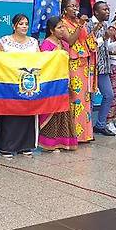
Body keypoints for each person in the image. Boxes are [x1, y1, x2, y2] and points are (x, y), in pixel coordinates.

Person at [0, 14, 39, 157]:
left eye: (26, 23)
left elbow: (40, 60)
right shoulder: (5, 41)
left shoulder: (33, 42)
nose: (24, 26)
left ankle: (25, 146)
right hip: (9, 83)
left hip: (27, 84)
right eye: (21, 24)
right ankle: (6, 146)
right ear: (14, 26)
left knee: (27, 114)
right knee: (10, 115)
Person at [60, 0, 97, 143]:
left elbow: (87, 40)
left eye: (77, 6)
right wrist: (80, 25)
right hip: (73, 63)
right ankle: (74, 134)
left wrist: (93, 31)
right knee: (76, 98)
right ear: (65, 9)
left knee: (85, 98)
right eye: (71, 6)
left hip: (84, 62)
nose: (75, 8)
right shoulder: (62, 23)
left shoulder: (80, 23)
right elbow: (70, 41)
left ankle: (85, 134)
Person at [39, 17, 77, 151]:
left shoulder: (64, 44)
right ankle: (49, 144)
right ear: (51, 30)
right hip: (51, 83)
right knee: (52, 112)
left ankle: (63, 142)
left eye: (63, 27)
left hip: (64, 81)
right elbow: (44, 64)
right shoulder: (46, 44)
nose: (63, 30)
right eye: (59, 27)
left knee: (64, 112)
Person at [88, 1, 116, 136]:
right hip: (91, 67)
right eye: (104, 9)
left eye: (108, 9)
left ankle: (100, 124)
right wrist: (103, 38)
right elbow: (88, 45)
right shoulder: (88, 24)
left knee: (109, 95)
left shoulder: (105, 25)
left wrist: (114, 43)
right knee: (90, 99)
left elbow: (106, 47)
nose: (107, 12)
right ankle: (87, 128)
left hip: (104, 67)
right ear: (96, 12)